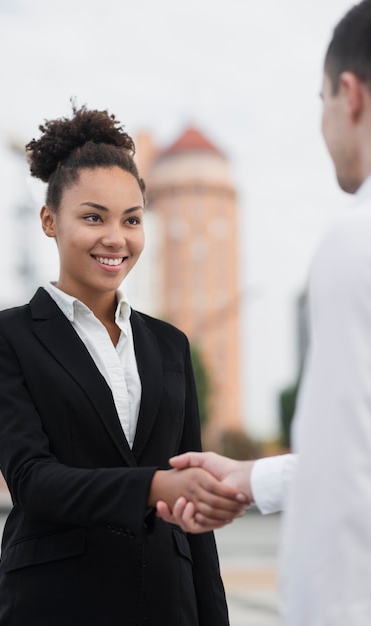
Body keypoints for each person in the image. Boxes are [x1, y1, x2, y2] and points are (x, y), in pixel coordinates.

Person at [0, 105, 248, 626]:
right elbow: (33, 479)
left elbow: (194, 515)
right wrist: (151, 487)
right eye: (93, 216)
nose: (116, 237)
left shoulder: (170, 345)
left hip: (168, 605)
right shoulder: (2, 336)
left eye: (132, 219)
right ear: (50, 220)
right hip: (53, 604)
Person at [158, 1, 371, 623]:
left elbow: (347, 474)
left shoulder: (355, 245)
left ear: (350, 95)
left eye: (321, 98)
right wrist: (252, 479)